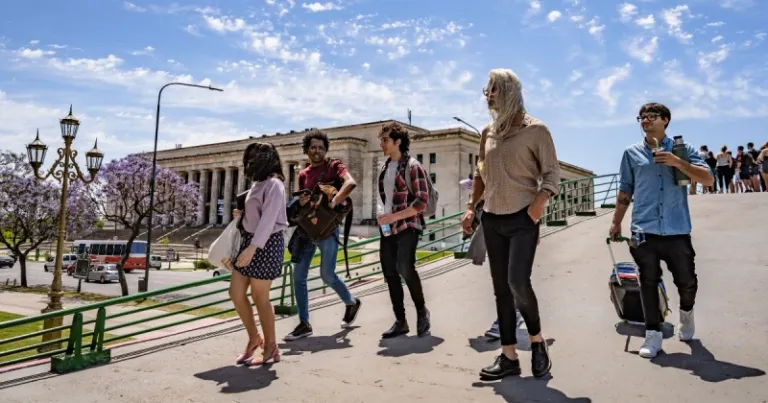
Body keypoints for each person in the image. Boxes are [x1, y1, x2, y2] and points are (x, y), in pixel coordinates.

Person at [462, 68, 559, 380]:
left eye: (492, 89)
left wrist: (538, 204)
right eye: (486, 89)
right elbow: (480, 173)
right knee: (501, 289)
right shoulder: (487, 132)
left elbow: (552, 174)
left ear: (508, 91)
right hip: (492, 218)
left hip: (522, 217)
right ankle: (508, 356)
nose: (486, 94)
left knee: (518, 281)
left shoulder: (536, 130)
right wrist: (471, 208)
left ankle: (537, 341)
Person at [609, 102, 714, 359]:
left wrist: (677, 162)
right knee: (648, 281)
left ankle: (686, 314)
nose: (645, 120)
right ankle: (652, 334)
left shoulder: (683, 150)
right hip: (643, 228)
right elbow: (625, 189)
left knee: (687, 282)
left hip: (677, 228)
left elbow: (708, 179)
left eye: (651, 116)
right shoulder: (631, 153)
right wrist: (616, 222)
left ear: (665, 120)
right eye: (642, 117)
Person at [284, 130, 362, 341]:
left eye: (320, 147)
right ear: (307, 150)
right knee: (298, 277)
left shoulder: (334, 166)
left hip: (327, 230)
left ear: (325, 149)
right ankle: (304, 323)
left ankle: (351, 302)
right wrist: (302, 202)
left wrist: (335, 200)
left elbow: (350, 183)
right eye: (313, 147)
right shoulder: (303, 174)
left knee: (327, 275)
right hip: (307, 231)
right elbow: (303, 204)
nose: (317, 151)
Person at [223, 142, 288, 366]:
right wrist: (241, 215)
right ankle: (254, 338)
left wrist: (253, 248)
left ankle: (271, 347)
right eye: (248, 157)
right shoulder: (256, 185)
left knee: (260, 297)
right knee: (235, 292)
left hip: (267, 243)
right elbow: (256, 216)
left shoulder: (274, 184)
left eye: (254, 157)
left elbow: (269, 219)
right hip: (249, 241)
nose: (249, 162)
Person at [375, 122, 431, 338]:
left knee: (405, 267)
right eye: (381, 140)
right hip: (388, 228)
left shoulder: (413, 166)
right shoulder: (384, 169)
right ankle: (401, 321)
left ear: (398, 141)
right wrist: (383, 215)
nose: (382, 144)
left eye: (385, 140)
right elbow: (386, 199)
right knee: (389, 273)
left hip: (408, 225)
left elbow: (421, 202)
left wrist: (395, 216)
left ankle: (422, 312)